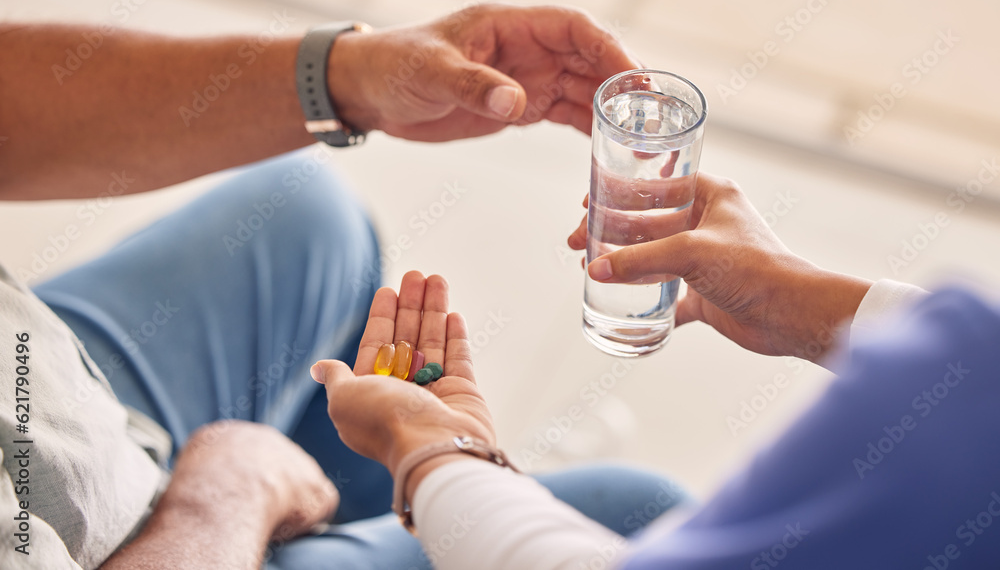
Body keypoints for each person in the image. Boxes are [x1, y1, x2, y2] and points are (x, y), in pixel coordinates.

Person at [0, 5, 680, 569]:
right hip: (145, 539)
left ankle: (372, 517)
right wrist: (231, 489)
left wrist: (350, 76)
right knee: (641, 514)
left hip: (48, 397)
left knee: (312, 212)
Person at [313, 172, 1000, 569]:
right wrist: (808, 300)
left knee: (309, 214)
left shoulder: (950, 425)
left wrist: (433, 451)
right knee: (639, 497)